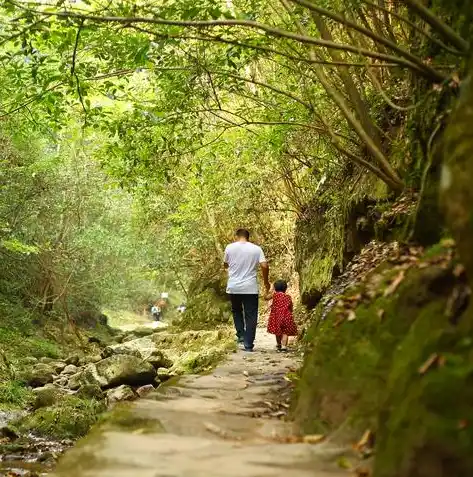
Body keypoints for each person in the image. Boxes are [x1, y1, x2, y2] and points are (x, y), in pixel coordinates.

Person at [224, 228, 270, 351]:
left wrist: (229, 270)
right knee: (251, 314)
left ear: (236, 236)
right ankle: (248, 344)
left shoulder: (229, 247)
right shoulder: (256, 249)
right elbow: (264, 265)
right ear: (248, 237)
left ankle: (241, 335)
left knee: (237, 311)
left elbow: (225, 264)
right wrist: (266, 282)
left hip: (234, 287)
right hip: (250, 287)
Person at [266, 280, 298, 352]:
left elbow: (266, 298)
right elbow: (291, 307)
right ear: (285, 288)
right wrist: (290, 312)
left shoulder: (274, 295)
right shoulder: (288, 297)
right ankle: (284, 346)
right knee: (285, 332)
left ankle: (279, 345)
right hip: (287, 316)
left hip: (276, 317)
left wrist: (270, 290)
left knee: (278, 332)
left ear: (275, 288)